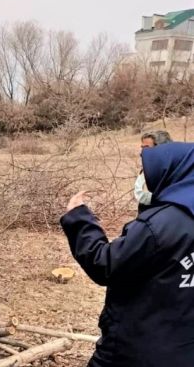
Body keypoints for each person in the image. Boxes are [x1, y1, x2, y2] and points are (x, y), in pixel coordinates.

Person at [60, 142, 194, 366]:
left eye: (146, 172)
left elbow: (106, 264)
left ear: (172, 171)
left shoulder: (159, 225)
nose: (142, 179)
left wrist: (79, 218)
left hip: (134, 350)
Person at [133, 130, 171, 212]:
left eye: (146, 148)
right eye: (142, 148)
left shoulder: (171, 172)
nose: (142, 153)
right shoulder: (147, 167)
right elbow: (141, 195)